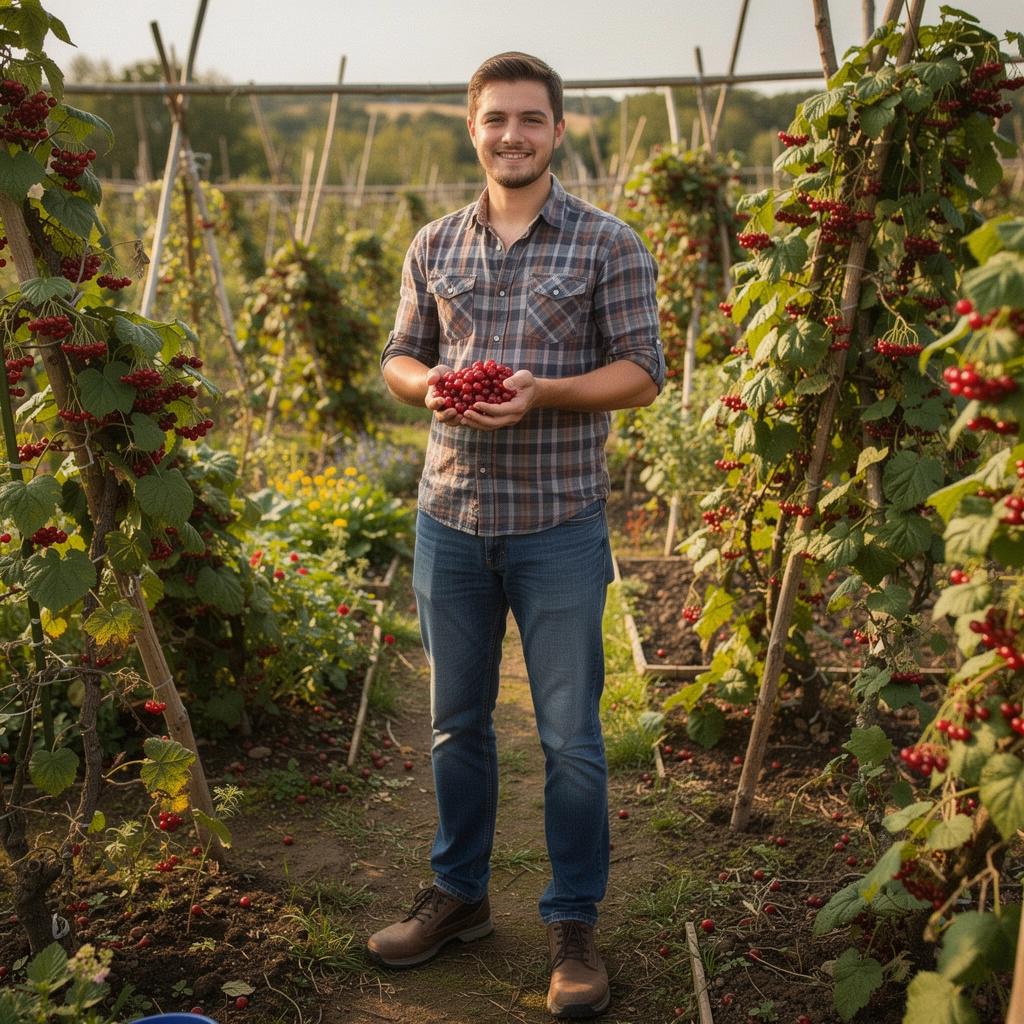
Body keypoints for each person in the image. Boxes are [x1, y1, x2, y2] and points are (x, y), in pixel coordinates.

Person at [370, 51, 664, 1019]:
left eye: (530, 120)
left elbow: (641, 373)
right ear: (472, 127)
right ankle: (458, 897)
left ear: (558, 131)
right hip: (448, 520)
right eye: (495, 119)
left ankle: (572, 925)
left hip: (557, 524)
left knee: (572, 739)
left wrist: (541, 396)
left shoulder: (606, 242)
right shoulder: (434, 243)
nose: (511, 135)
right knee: (456, 725)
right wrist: (436, 389)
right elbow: (402, 358)